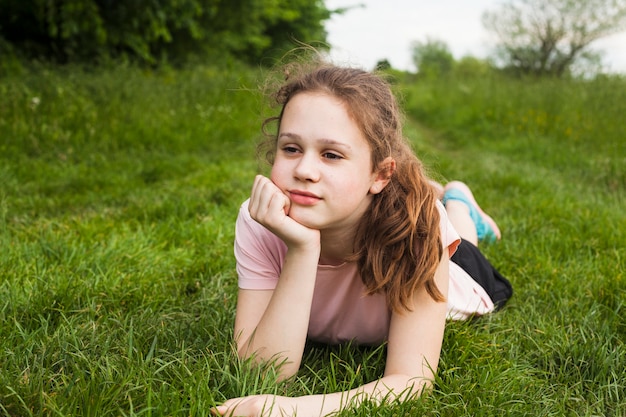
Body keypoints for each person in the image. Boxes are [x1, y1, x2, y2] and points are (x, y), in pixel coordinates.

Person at [213, 60, 512, 417]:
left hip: (456, 270)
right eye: (291, 149)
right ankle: (446, 197)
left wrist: (297, 409)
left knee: (464, 243)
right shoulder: (262, 219)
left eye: (331, 155)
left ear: (380, 174)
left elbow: (411, 379)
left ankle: (458, 198)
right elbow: (263, 373)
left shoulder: (418, 228)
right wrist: (304, 248)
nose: (304, 171)